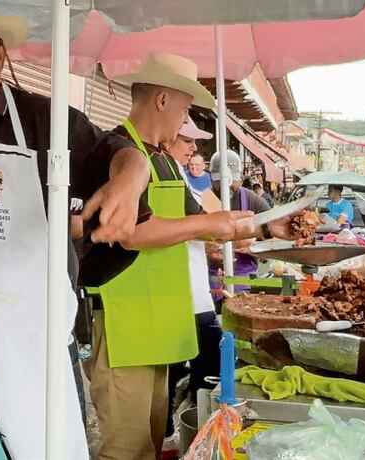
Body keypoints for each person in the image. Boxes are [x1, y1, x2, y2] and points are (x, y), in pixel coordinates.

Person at [0, 0, 148, 458]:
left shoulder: (45, 121)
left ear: (1, 56)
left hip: (36, 344)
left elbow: (120, 153)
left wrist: (129, 183)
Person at [79, 53, 300, 460]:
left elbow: (205, 222)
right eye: (184, 110)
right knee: (124, 449)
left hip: (158, 323)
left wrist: (269, 226)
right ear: (162, 99)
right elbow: (133, 232)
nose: (185, 121)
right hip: (125, 322)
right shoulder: (117, 155)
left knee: (148, 443)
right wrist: (205, 224)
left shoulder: (165, 160)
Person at [163, 117, 222, 451]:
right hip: (183, 294)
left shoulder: (182, 177)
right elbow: (201, 225)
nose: (194, 149)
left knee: (184, 368)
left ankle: (181, 434)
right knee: (201, 364)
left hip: (195, 292)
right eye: (187, 141)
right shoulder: (167, 176)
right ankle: (191, 436)